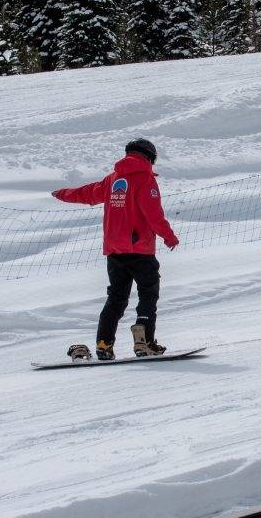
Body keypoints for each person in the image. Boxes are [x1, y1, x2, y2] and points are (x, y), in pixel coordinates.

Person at [52, 138, 179, 360]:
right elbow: (154, 215)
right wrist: (169, 237)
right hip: (140, 251)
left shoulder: (113, 180)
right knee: (148, 294)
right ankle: (144, 342)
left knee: (116, 299)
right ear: (149, 157)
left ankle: (103, 344)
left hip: (114, 251)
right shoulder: (145, 180)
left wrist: (63, 193)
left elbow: (88, 193)